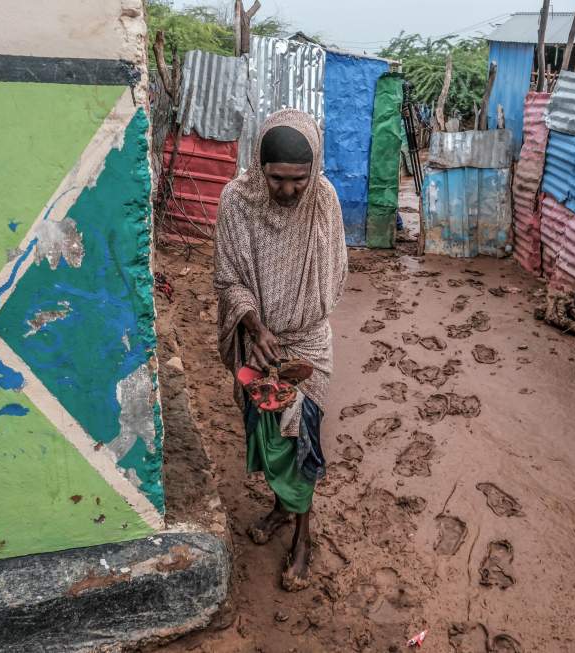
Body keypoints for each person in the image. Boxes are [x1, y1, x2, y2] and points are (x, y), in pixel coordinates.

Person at [214, 109, 347, 591]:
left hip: (308, 343)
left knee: (301, 442)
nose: (288, 191)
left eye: (299, 180)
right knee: (266, 436)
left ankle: (303, 537)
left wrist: (291, 324)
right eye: (276, 179)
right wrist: (255, 324)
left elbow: (334, 277)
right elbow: (228, 276)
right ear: (258, 167)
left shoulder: (324, 201)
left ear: (313, 174)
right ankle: (280, 506)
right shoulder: (237, 200)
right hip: (260, 343)